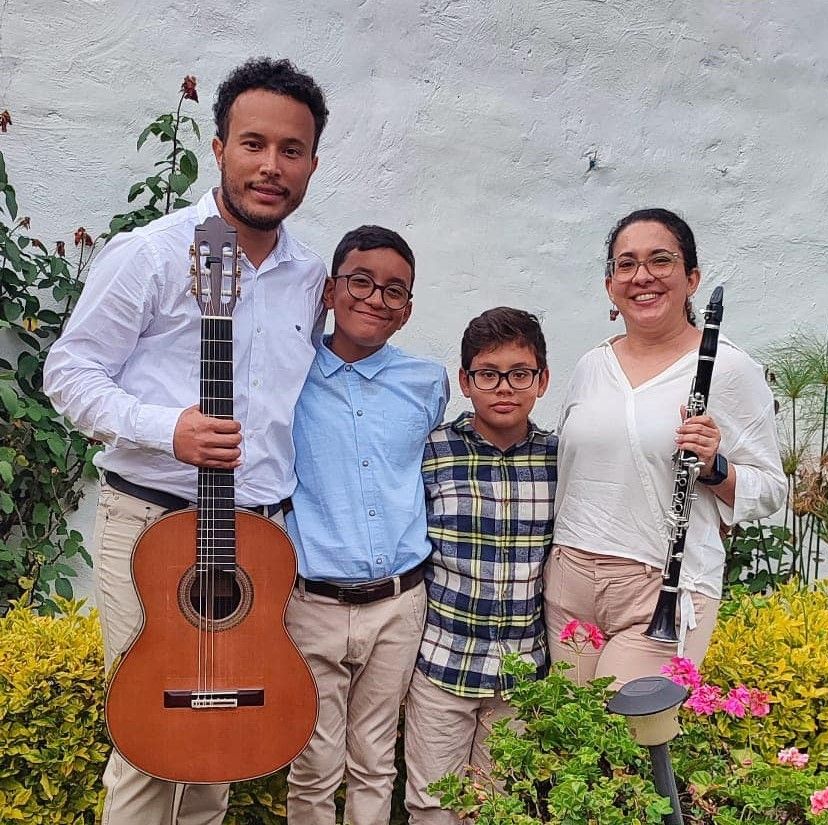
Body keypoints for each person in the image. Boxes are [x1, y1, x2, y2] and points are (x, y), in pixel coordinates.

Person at [43, 58, 329, 825]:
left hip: (254, 540)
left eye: (291, 150)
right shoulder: (153, 252)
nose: (271, 166)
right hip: (152, 527)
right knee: (149, 743)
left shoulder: (312, 276)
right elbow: (67, 373)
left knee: (224, 749)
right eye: (253, 143)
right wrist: (166, 427)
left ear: (311, 162)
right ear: (219, 146)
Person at [546, 208, 787, 687]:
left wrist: (716, 468)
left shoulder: (730, 369)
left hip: (661, 587)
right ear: (610, 284)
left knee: (627, 741)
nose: (643, 277)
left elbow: (771, 489)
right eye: (626, 264)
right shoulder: (592, 365)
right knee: (573, 739)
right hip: (570, 577)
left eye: (661, 261)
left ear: (691, 277)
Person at [283, 225, 449, 825]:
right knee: (311, 767)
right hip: (312, 604)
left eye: (394, 290)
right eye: (361, 281)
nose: (375, 298)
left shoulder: (426, 383)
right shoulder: (288, 378)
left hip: (399, 606)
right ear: (330, 290)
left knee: (376, 761)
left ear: (406, 310)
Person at [403, 307, 558, 824]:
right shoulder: (432, 452)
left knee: (500, 808)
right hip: (443, 666)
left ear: (542, 380)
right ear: (466, 381)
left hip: (522, 672)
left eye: (520, 373)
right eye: (488, 374)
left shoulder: (560, 460)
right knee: (432, 805)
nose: (504, 388)